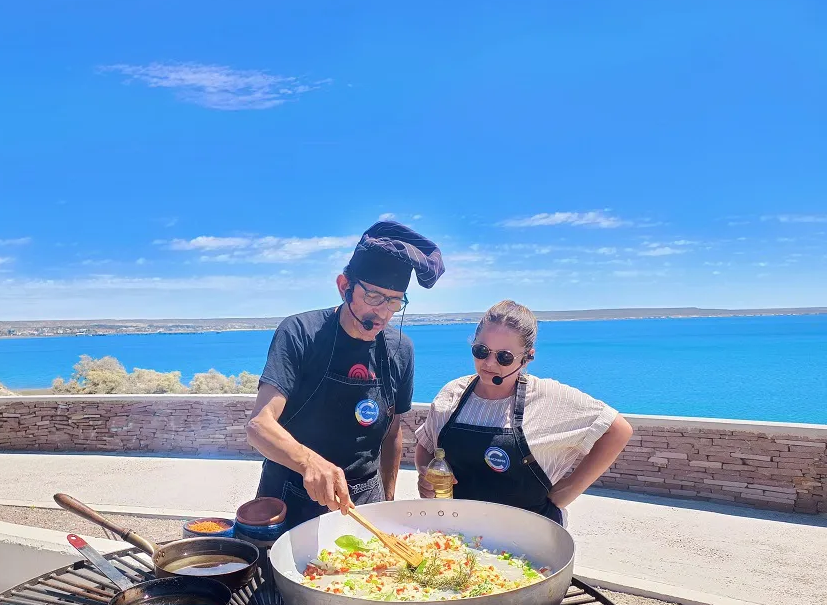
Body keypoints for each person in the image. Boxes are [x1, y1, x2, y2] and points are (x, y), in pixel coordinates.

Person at [247, 221, 445, 528]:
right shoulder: (300, 332)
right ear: (344, 287)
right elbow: (259, 426)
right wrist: (309, 462)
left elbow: (392, 432)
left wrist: (388, 501)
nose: (383, 313)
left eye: (394, 301)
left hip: (364, 501)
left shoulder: (401, 349)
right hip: (290, 495)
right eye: (374, 297)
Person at [415, 300, 633, 525]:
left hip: (530, 536)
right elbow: (427, 444)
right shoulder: (452, 393)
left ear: (527, 357)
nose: (489, 363)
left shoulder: (549, 397)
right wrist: (425, 474)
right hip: (455, 532)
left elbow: (618, 430)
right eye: (481, 351)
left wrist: (567, 490)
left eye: (504, 357)